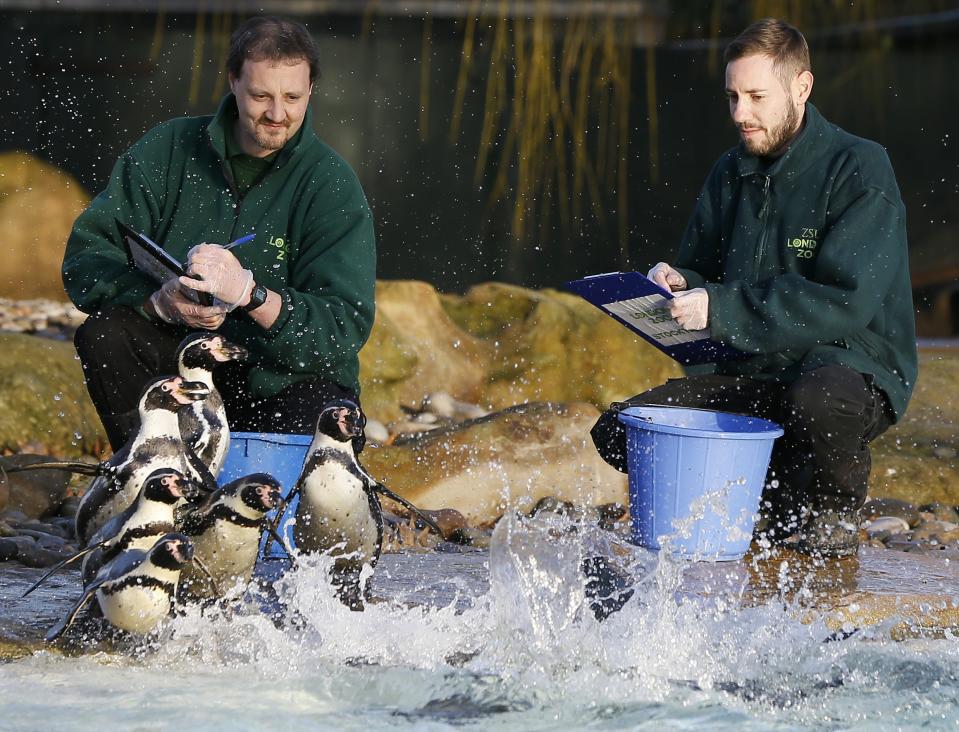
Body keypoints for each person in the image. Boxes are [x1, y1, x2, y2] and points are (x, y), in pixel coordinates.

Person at [591, 18, 917, 557]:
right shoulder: (730, 171)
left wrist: (718, 306)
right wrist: (678, 283)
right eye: (733, 96)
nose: (740, 114)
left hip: (847, 371)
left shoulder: (859, 167)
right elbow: (702, 274)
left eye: (756, 96)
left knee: (815, 402)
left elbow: (845, 299)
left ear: (802, 88)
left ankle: (829, 519)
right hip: (755, 372)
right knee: (621, 429)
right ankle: (769, 494)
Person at [62, 16, 376, 452]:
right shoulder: (167, 149)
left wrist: (253, 295)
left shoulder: (331, 184)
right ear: (233, 81)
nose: (277, 114)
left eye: (293, 97)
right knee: (105, 334)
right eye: (261, 95)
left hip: (281, 380)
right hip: (183, 374)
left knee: (318, 432)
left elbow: (344, 328)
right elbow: (85, 260)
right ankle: (158, 473)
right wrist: (158, 302)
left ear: (311, 91)